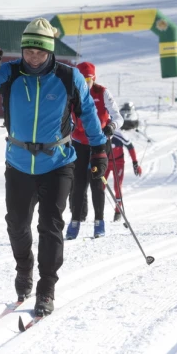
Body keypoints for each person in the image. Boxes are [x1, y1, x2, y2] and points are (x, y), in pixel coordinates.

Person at [0, 17, 108, 317]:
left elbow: (87, 112)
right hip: (19, 162)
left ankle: (46, 288)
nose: (33, 57)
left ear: (50, 51)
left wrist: (99, 151)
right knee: (17, 224)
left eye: (40, 51)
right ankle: (25, 271)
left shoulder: (68, 77)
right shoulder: (9, 72)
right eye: (28, 51)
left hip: (57, 162)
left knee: (50, 224)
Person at [66, 61, 122, 240]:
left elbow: (118, 116)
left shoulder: (102, 92)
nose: (86, 82)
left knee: (98, 183)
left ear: (94, 79)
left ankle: (99, 222)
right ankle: (75, 222)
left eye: (89, 79)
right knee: (78, 184)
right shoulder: (72, 93)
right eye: (82, 79)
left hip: (100, 142)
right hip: (79, 143)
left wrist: (111, 126)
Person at [106, 128, 142, 222]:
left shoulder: (119, 134)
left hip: (118, 163)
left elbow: (130, 147)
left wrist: (135, 163)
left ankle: (118, 212)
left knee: (117, 187)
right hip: (104, 163)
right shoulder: (100, 131)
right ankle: (99, 214)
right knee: (99, 187)